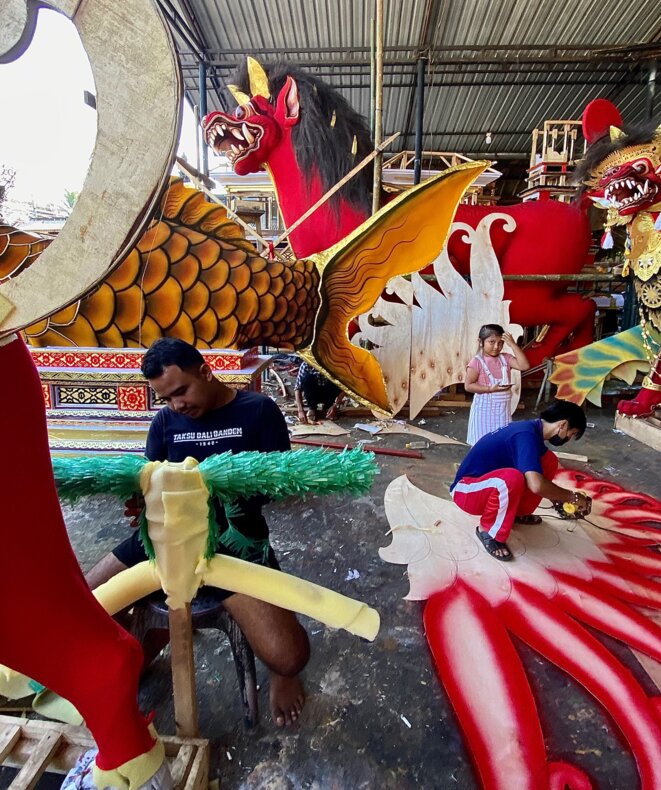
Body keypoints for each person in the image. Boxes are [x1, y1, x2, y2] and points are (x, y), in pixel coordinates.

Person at [86, 338, 310, 727]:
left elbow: (282, 485)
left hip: (233, 542)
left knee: (290, 657)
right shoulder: (166, 423)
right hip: (165, 538)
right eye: (166, 398)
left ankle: (280, 675)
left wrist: (227, 486)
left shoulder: (258, 411)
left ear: (205, 371)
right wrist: (141, 503)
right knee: (84, 607)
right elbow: (150, 479)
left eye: (181, 391)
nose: (176, 406)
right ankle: (141, 649)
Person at [450, 400, 592, 562]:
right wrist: (571, 497)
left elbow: (538, 479)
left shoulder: (533, 432)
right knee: (512, 479)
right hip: (466, 490)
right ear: (563, 425)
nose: (568, 438)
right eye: (571, 434)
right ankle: (488, 531)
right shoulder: (525, 435)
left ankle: (517, 513)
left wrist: (558, 499)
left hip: (485, 486)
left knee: (548, 461)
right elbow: (536, 485)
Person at [464, 324, 531, 445]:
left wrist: (513, 345)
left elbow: (524, 366)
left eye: (500, 343)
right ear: (480, 342)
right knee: (481, 445)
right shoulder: (476, 362)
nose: (496, 347)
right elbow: (468, 386)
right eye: (491, 342)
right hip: (483, 412)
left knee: (501, 443)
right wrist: (489, 389)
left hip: (503, 413)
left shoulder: (505, 359)